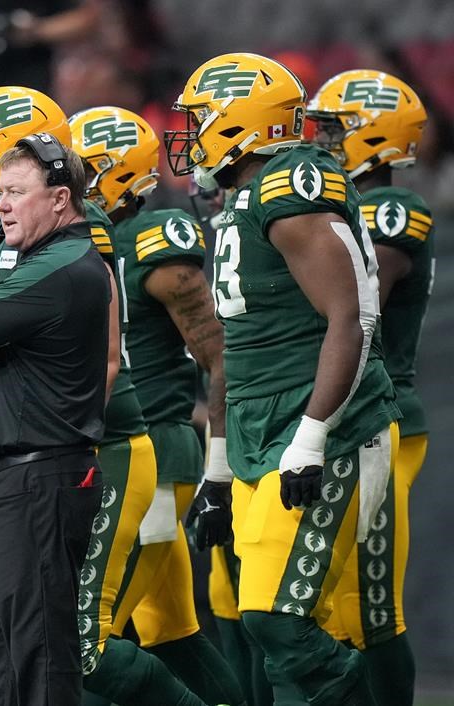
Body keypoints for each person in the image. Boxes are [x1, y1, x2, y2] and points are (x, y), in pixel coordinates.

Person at [165, 52, 400, 705]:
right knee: (261, 623)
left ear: (238, 121)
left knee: (283, 620)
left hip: (309, 419)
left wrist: (314, 435)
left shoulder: (289, 188)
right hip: (254, 423)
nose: (189, 133)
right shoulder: (247, 195)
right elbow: (230, 352)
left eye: (199, 118)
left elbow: (352, 316)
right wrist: (216, 467)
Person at [70, 105, 246, 706]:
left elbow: (217, 355)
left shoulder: (153, 237)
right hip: (120, 449)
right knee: (173, 633)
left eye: (77, 165)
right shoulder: (69, 239)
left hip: (146, 449)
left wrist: (218, 466)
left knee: (88, 642)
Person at [0, 133, 109, 705]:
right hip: (7, 484)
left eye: (15, 192)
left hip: (36, 480)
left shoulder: (61, 263)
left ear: (60, 199)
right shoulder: (37, 259)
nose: (1, 204)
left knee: (38, 657)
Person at [309, 69, 432, 706]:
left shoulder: (392, 210)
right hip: (347, 412)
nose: (320, 140)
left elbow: (356, 302)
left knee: (369, 600)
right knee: (327, 603)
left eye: (333, 129)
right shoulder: (337, 202)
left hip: (381, 416)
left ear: (375, 140)